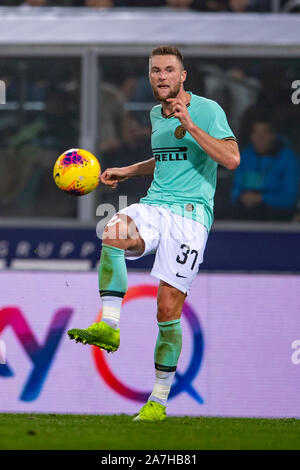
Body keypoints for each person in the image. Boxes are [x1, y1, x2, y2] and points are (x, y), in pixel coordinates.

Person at [68, 45, 240, 422]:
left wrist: (192, 124)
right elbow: (164, 158)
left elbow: (231, 159)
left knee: (166, 310)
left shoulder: (208, 110)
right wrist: (127, 171)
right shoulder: (153, 114)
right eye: (155, 71)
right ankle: (109, 325)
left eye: (168, 70)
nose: (161, 76)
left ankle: (158, 402)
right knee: (112, 231)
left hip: (192, 218)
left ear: (183, 75)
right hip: (156, 205)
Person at [232, 119, 299, 221]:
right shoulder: (245, 155)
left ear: (273, 136)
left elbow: (290, 199)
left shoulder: (288, 158)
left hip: (277, 214)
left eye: (265, 133)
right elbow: (234, 189)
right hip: (245, 211)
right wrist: (241, 197)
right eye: (256, 133)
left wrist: (261, 198)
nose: (260, 138)